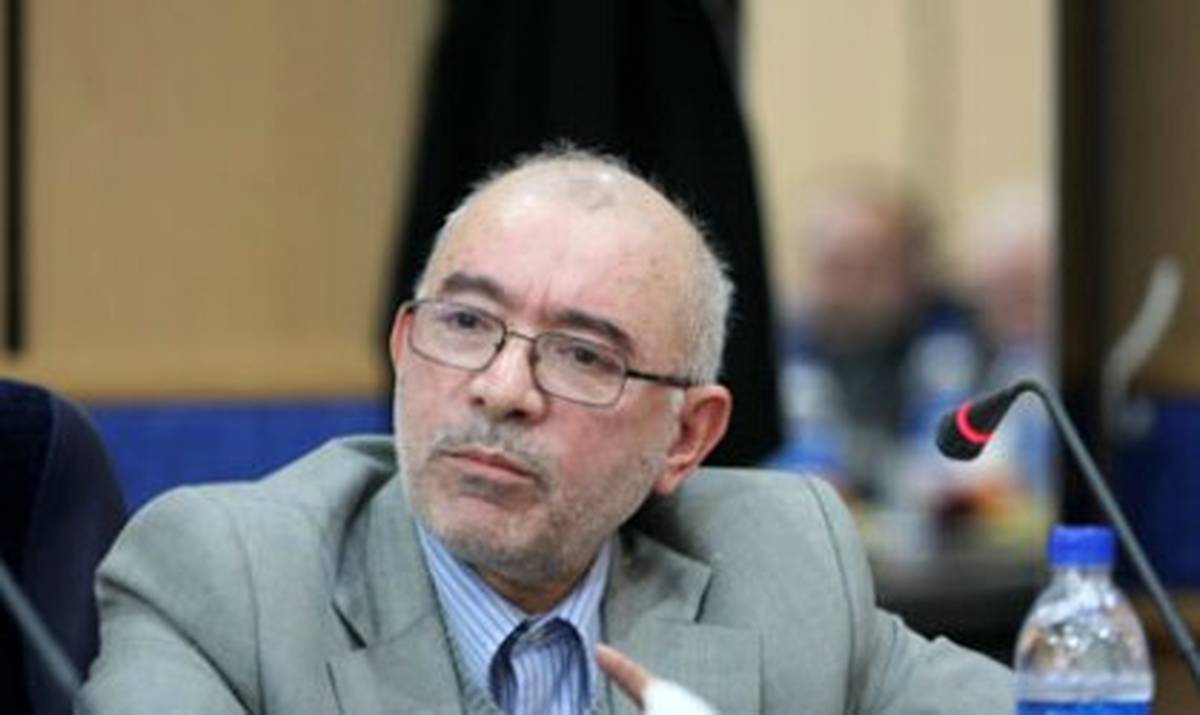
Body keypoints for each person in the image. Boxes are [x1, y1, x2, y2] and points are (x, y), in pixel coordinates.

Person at [80, 149, 1012, 713]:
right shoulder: (223, 580)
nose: (501, 389)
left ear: (687, 437)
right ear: (403, 349)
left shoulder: (778, 563)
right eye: (465, 323)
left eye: (582, 356)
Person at [771, 179, 988, 511]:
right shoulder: (780, 350)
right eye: (834, 268)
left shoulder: (955, 346)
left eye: (869, 268)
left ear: (911, 270)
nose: (847, 287)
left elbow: (960, 468)